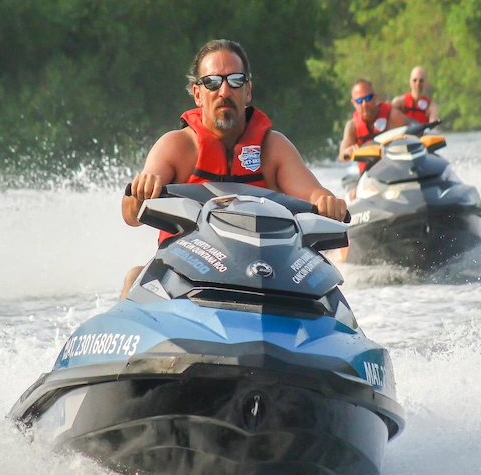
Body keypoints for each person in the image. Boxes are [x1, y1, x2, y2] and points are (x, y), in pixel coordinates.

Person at [121, 39, 348, 297]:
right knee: (134, 277)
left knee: (329, 292)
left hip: (269, 281)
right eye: (213, 82)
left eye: (235, 80)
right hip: (187, 281)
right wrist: (139, 193)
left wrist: (327, 202)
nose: (224, 91)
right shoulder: (176, 147)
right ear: (198, 94)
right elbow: (130, 215)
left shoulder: (274, 148)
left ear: (248, 91)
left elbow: (313, 194)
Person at [337, 79, 408, 167]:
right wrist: (347, 152)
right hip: (369, 175)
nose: (364, 104)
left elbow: (415, 134)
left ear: (375, 97)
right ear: (353, 103)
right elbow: (342, 156)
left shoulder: (393, 116)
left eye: (368, 98)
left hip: (395, 170)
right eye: (359, 101)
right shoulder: (352, 126)